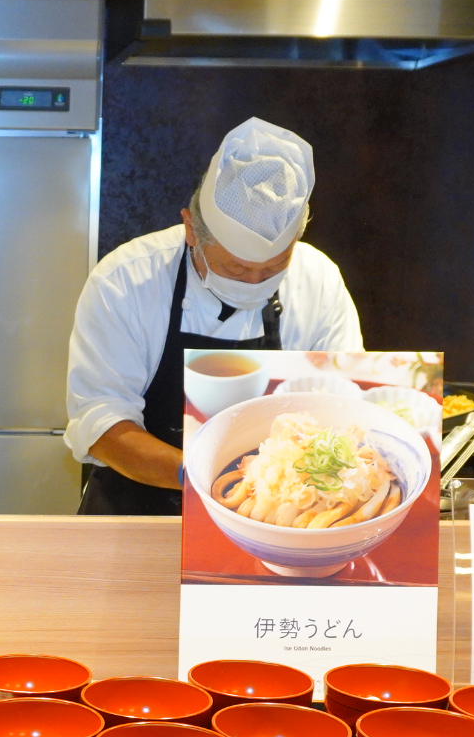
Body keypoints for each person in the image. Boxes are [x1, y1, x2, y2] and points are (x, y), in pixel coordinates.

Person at [65, 118, 365, 515]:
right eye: (237, 269)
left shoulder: (318, 280)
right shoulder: (128, 279)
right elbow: (100, 423)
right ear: (191, 229)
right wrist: (203, 478)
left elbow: (344, 403)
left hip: (277, 517)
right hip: (138, 515)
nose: (255, 281)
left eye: (274, 268)